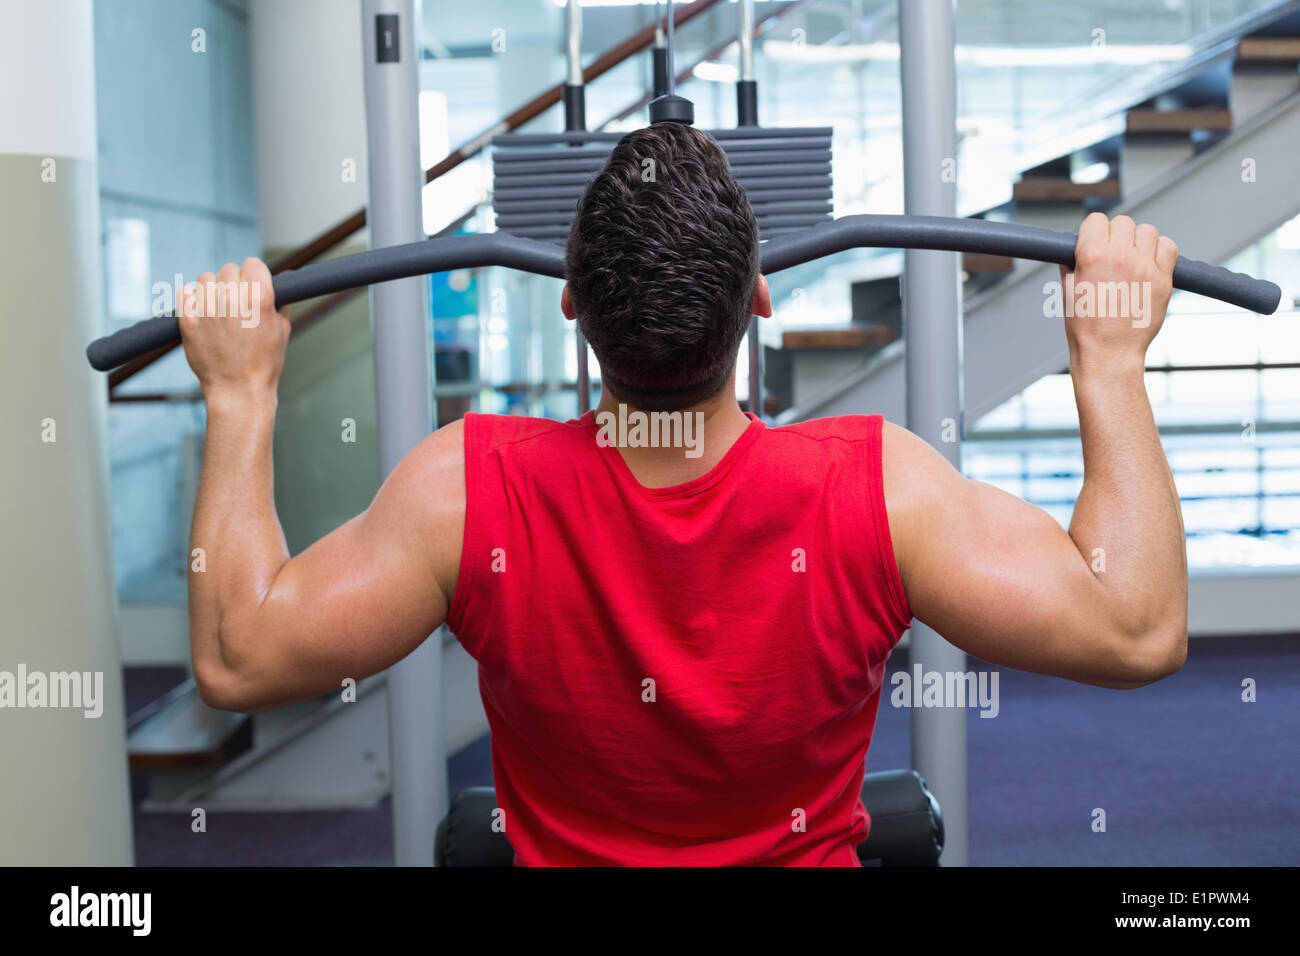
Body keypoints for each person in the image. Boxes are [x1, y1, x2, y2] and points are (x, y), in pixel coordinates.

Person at [178, 122, 1187, 866]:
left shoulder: (467, 491)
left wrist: (238, 391)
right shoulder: (879, 488)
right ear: (759, 298)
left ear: (573, 306)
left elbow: (238, 655)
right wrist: (1108, 359)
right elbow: (1135, 630)